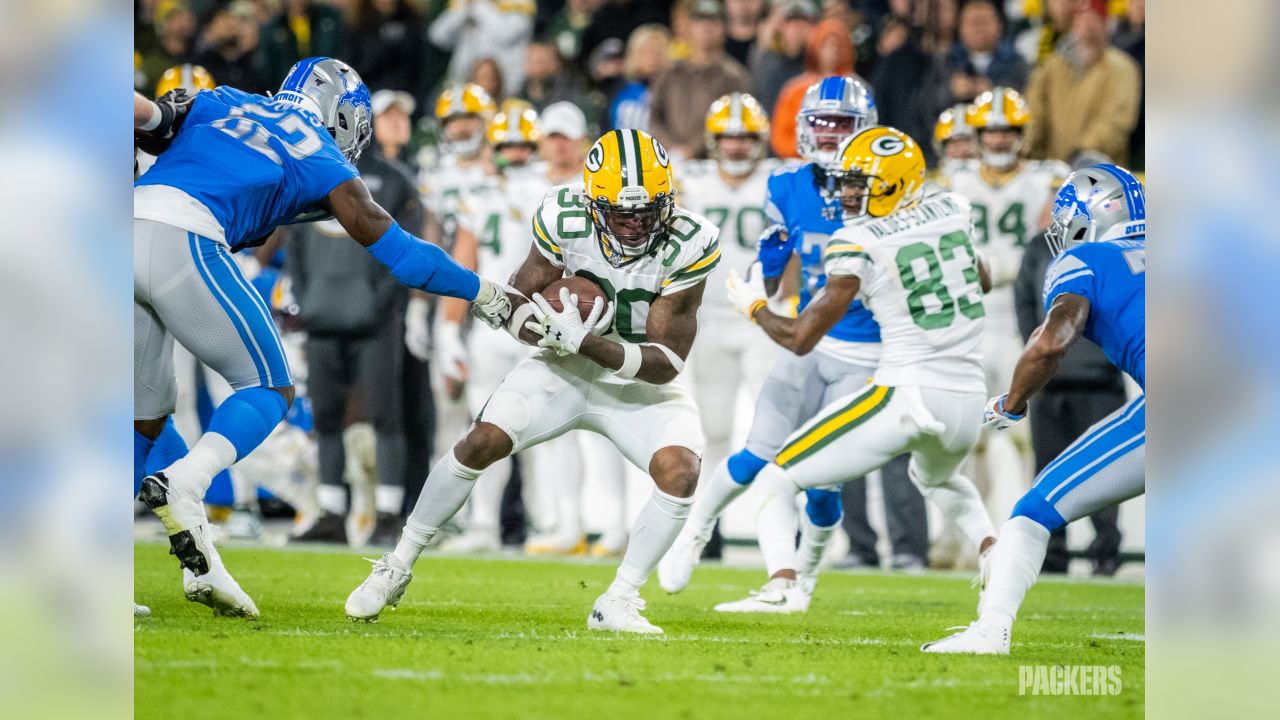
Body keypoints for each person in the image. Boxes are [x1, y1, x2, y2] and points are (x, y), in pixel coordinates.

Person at [133, 58, 510, 619]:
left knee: (145, 413)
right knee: (268, 386)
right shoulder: (320, 151)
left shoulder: (223, 99)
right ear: (345, 112)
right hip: (185, 235)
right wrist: (486, 293)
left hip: (123, 226)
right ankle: (187, 481)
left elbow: (140, 114)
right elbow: (403, 255)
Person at [345, 129, 720, 634]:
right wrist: (532, 321)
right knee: (480, 440)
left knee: (681, 472)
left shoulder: (690, 240)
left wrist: (582, 340)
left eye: (646, 211)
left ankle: (618, 599)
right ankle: (397, 564)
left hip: (635, 376)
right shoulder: (563, 215)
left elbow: (667, 360)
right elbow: (520, 299)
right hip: (561, 367)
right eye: (620, 212)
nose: (633, 226)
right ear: (591, 203)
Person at [658, 77, 914, 612]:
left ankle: (804, 576)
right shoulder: (788, 184)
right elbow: (774, 280)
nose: (826, 134)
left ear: (863, 127)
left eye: (839, 123)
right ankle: (698, 533)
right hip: (815, 341)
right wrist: (767, 272)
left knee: (822, 488)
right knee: (757, 454)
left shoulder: (888, 182)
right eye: (819, 122)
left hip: (868, 352)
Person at [720, 125, 996, 610]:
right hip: (968, 398)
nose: (846, 194)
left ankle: (784, 586)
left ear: (892, 184)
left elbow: (800, 338)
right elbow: (984, 278)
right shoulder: (951, 209)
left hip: (906, 393)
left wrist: (754, 307)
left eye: (858, 184)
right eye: (846, 182)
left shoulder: (858, 239)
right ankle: (997, 554)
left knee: (776, 477)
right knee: (940, 481)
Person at [922, 164, 1145, 654]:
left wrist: (1013, 402)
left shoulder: (1084, 258)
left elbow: (1050, 343)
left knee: (1031, 513)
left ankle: (991, 630)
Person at [286, 91, 426, 548]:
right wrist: (308, 301)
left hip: (376, 319)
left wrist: (381, 301)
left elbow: (407, 249)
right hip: (323, 316)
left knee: (386, 417)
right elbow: (298, 252)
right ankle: (332, 512)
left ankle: (388, 515)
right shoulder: (309, 171)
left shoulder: (394, 179)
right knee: (325, 418)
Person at [942, 87, 1069, 525]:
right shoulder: (952, 179)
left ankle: (1031, 528)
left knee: (1028, 438)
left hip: (1022, 321)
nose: (998, 140)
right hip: (969, 323)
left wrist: (1005, 268)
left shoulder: (1048, 178)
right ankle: (964, 535)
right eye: (990, 132)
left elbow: (1054, 242)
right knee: (963, 438)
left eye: (1007, 131)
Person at [675, 93, 781, 557]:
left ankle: (780, 532)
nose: (737, 147)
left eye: (744, 137)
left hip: (762, 319)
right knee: (712, 428)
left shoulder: (778, 180)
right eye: (728, 138)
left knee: (776, 428)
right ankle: (707, 530)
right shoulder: (690, 182)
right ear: (713, 142)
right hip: (709, 318)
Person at [1015, 230, 1126, 576]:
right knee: (1048, 471)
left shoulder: (1116, 250)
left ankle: (1105, 553)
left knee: (1108, 476)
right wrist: (1038, 358)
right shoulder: (1039, 245)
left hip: (1100, 381)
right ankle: (1053, 555)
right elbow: (1024, 304)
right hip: (1053, 380)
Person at [1023, 0, 1141, 165]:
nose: (1088, 27)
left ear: (1106, 25)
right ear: (1073, 25)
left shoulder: (1122, 68)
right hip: (1053, 170)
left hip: (1102, 172)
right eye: (1082, 20)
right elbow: (1034, 111)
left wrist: (1083, 152)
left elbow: (1116, 121)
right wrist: (1025, 147)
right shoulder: (1052, 65)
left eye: (1095, 20)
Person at [648, 0, 750, 160]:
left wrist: (691, 149)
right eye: (699, 21)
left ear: (724, 28)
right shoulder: (669, 72)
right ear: (689, 27)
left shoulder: (734, 76)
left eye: (713, 21)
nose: (706, 28)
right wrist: (669, 148)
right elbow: (654, 117)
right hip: (668, 159)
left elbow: (734, 121)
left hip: (714, 165)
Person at [769, 17, 856, 159]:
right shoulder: (794, 90)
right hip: (799, 162)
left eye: (838, 45)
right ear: (816, 47)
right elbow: (780, 137)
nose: (833, 51)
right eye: (827, 45)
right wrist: (810, 150)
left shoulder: (857, 89)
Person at [428, 0, 535, 99]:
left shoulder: (518, 2)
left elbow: (504, 34)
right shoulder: (469, 4)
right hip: (463, 82)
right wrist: (464, 10)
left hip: (505, 87)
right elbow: (437, 36)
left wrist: (479, 5)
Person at [945, 0, 1028, 103]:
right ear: (960, 28)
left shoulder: (1018, 64)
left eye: (985, 21)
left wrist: (993, 92)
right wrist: (950, 91)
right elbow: (927, 105)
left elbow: (1026, 101)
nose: (979, 28)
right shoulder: (946, 62)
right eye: (973, 22)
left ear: (999, 25)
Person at [748, 0, 817, 114]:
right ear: (781, 27)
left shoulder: (819, 61)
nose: (796, 28)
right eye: (790, 22)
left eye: (803, 22)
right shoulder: (766, 60)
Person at [608, 24, 672, 132]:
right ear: (635, 52)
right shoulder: (619, 86)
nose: (652, 57)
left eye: (658, 51)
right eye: (647, 51)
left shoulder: (673, 89)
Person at [931, 103, 977, 177]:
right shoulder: (930, 183)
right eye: (954, 143)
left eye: (968, 142)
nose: (962, 150)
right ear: (942, 148)